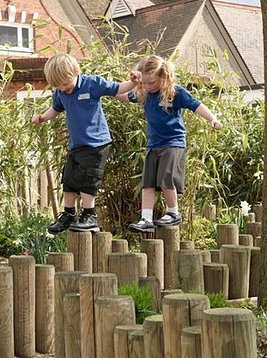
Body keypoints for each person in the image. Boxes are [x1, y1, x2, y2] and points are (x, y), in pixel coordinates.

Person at [32, 52, 138, 233]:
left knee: (88, 179)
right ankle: (69, 214)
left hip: (96, 143)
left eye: (66, 84)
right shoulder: (61, 93)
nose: (64, 89)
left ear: (75, 72)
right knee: (69, 178)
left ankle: (90, 215)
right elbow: (55, 109)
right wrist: (42, 117)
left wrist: (134, 82)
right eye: (58, 86)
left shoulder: (92, 83)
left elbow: (117, 88)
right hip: (76, 144)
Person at [118, 55, 223, 232]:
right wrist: (131, 83)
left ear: (163, 77)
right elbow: (121, 95)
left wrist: (213, 118)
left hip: (173, 142)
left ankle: (173, 212)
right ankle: (146, 218)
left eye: (151, 82)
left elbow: (196, 105)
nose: (147, 86)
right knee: (148, 182)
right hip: (153, 144)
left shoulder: (174, 92)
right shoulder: (143, 91)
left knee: (166, 178)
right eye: (144, 82)